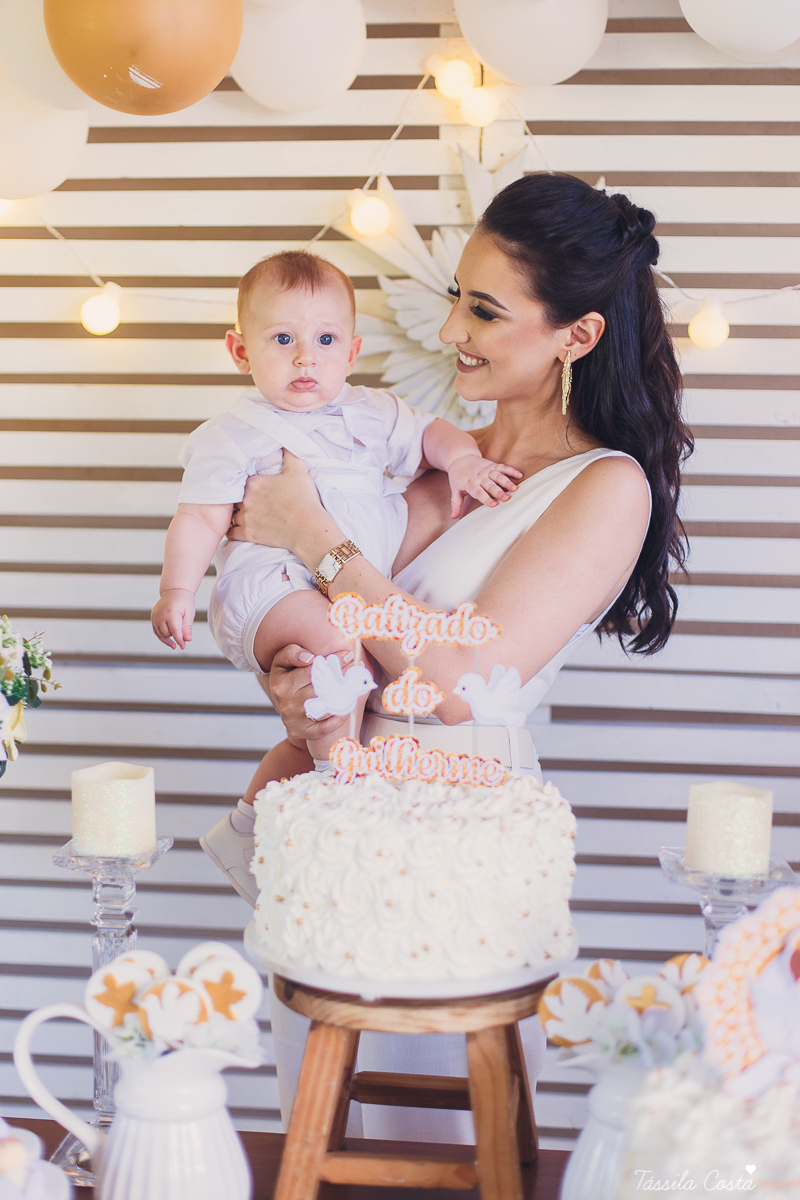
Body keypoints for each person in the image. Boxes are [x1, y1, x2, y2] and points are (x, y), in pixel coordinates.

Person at [213, 173, 693, 1141]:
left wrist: (319, 537)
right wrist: (291, 683)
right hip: (333, 823)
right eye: (454, 300)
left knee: (430, 1139)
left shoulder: (604, 489)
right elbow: (329, 628)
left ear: (576, 336)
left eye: (482, 309)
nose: (448, 334)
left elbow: (452, 686)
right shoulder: (425, 457)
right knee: (316, 1121)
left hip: (450, 838)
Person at [150, 250, 521, 897]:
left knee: (337, 694)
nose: (304, 358)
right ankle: (343, 794)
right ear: (240, 351)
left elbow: (436, 437)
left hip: (334, 592)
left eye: (323, 340)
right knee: (337, 653)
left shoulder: (373, 414)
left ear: (351, 353)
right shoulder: (234, 434)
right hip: (273, 589)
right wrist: (176, 590)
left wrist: (462, 465)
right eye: (282, 339)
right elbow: (198, 519)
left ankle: (249, 822)